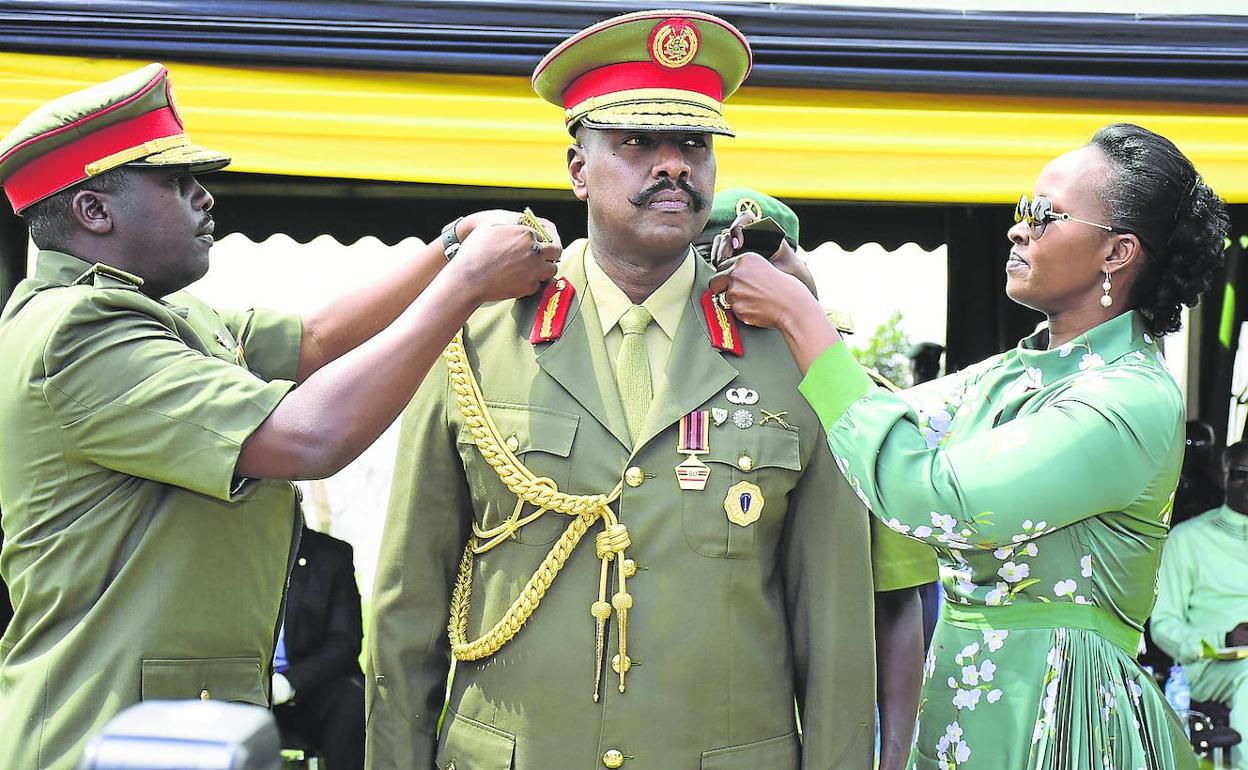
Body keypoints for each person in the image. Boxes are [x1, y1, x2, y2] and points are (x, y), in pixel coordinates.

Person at [0, 63, 559, 770]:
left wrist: (444, 250)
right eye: (176, 182)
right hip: (104, 734)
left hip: (175, 730)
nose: (205, 197)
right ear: (94, 212)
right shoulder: (79, 333)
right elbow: (308, 436)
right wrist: (466, 285)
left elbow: (317, 340)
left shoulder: (160, 315)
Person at [366, 11, 876, 770]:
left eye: (694, 145)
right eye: (639, 143)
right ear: (577, 168)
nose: (673, 166)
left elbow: (837, 629)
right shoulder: (474, 339)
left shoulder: (794, 352)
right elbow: (406, 608)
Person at [709, 122, 1228, 768]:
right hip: (963, 702)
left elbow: (928, 494)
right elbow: (881, 420)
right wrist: (810, 302)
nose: (1018, 229)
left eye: (1044, 215)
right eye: (1020, 211)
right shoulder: (1024, 370)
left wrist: (799, 317)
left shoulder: (1132, 397)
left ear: (1117, 254)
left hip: (1060, 719)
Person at [697, 187, 938, 770]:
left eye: (763, 251)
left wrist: (895, 755)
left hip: (811, 728)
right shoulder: (666, 396)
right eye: (715, 250)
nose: (736, 266)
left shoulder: (861, 405)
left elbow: (900, 604)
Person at [1153, 439, 1248, 768]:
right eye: (1240, 474)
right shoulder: (1189, 538)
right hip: (1214, 665)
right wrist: (1225, 637)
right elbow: (1163, 626)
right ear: (1223, 477)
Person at [272, 525, 366, 770]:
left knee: (354, 698)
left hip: (306, 689)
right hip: (242, 688)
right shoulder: (227, 551)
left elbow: (345, 642)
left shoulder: (332, 555)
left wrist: (289, 682)